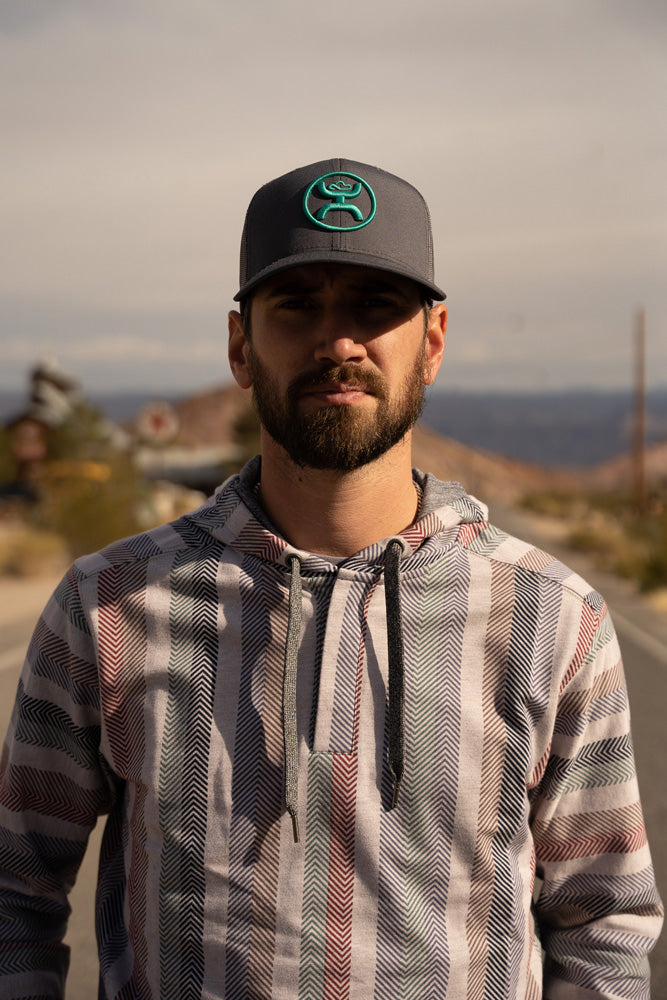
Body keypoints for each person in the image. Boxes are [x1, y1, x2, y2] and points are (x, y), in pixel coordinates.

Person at [0, 157, 662, 999]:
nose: (337, 341)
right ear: (241, 344)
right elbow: (15, 893)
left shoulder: (553, 621)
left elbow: (603, 925)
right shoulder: (109, 607)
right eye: (297, 304)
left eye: (375, 307)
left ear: (432, 342)